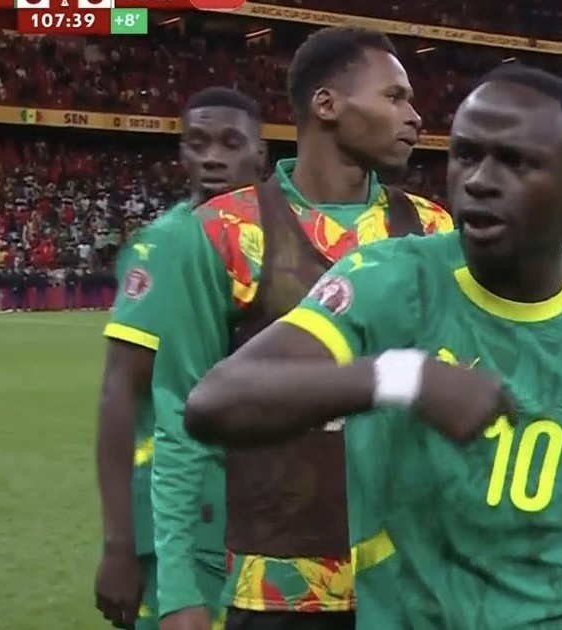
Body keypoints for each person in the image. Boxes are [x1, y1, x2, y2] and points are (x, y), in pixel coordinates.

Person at [182, 65, 562, 630]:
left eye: (515, 161)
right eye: (466, 154)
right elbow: (216, 400)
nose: (479, 179)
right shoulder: (391, 281)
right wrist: (401, 379)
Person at [150, 26, 452, 630]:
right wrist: (179, 588)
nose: (415, 116)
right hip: (274, 587)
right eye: (394, 97)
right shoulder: (222, 232)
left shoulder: (433, 231)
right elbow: (179, 414)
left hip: (410, 581)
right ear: (327, 104)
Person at [95, 88, 268, 630]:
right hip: (185, 518)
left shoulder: (282, 242)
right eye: (198, 143)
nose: (213, 157)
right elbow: (120, 389)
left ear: (260, 155)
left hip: (261, 514)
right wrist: (118, 545)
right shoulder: (168, 244)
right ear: (182, 155)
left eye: (231, 143)